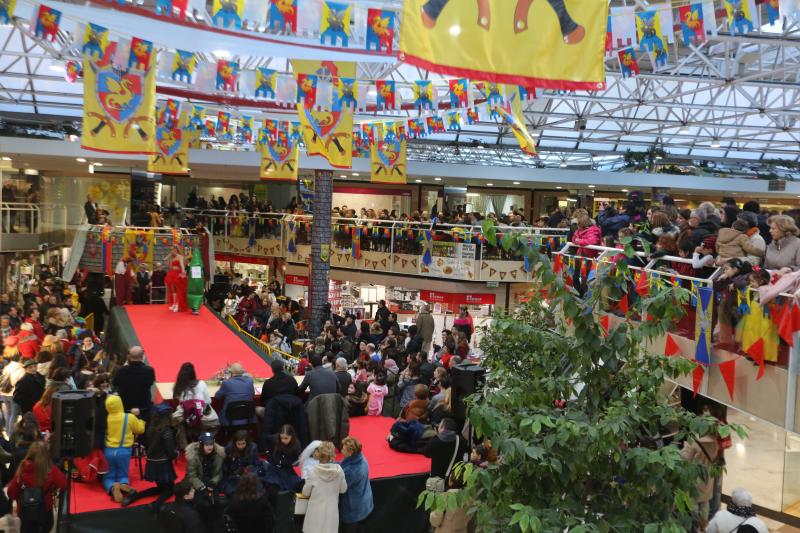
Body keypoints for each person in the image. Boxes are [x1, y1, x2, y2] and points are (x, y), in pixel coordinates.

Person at [121, 403, 178, 511]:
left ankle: (135, 496)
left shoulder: (151, 427)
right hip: (163, 464)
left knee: (160, 488)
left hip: (151, 462)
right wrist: (176, 454)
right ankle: (156, 504)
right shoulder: (167, 430)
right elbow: (170, 451)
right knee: (170, 490)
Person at [7, 441, 67, 533]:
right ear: (46, 454)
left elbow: (11, 492)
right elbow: (64, 484)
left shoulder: (23, 468)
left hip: (25, 511)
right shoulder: (51, 469)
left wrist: (19, 497)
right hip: (44, 511)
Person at [104, 394, 146, 503]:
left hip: (108, 451)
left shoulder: (106, 418)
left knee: (109, 476)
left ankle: (113, 488)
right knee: (123, 474)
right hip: (124, 450)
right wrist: (140, 418)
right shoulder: (129, 417)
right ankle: (123, 485)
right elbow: (140, 429)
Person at [301, 441, 347, 533]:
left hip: (315, 513)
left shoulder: (312, 472)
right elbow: (343, 489)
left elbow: (306, 492)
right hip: (331, 513)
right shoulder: (339, 471)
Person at [680, 433, 720, 531]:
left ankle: (694, 526)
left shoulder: (694, 442)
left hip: (695, 477)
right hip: (708, 476)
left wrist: (684, 447)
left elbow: (685, 458)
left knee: (693, 501)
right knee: (705, 501)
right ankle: (704, 525)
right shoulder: (714, 441)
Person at [185, 432, 225, 523]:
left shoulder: (218, 455)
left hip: (212, 481)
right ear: (201, 445)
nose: (209, 447)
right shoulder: (194, 456)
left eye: (211, 444)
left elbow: (219, 473)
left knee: (215, 502)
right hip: (199, 481)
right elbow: (192, 475)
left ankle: (214, 523)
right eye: (206, 444)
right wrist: (200, 486)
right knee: (201, 503)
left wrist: (213, 482)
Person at [339, 436, 373, 532]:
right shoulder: (360, 459)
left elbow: (341, 488)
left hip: (353, 509)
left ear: (350, 453)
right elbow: (343, 464)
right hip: (363, 502)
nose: (341, 450)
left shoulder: (352, 471)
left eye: (343, 449)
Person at [113, 346, 156, 421]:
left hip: (125, 407)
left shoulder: (121, 371)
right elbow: (150, 383)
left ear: (129, 356)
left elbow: (115, 383)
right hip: (143, 408)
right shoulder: (149, 371)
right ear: (142, 356)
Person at [262, 424, 302, 493]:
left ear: (291, 436)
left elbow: (294, 462)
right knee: (273, 486)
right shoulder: (276, 438)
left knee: (297, 485)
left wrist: (281, 462)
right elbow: (264, 439)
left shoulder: (296, 445)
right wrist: (267, 452)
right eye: (281, 438)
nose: (283, 440)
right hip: (274, 468)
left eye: (286, 438)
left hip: (287, 469)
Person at [220, 430, 260, 497]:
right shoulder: (229, 448)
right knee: (234, 493)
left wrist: (247, 471)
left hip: (248, 476)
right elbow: (225, 466)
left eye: (243, 443)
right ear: (235, 442)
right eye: (238, 444)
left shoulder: (253, 448)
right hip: (232, 476)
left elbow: (256, 464)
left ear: (247, 442)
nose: (240, 446)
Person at [214, 363, 254, 427]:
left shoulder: (226, 383)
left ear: (231, 372)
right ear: (242, 372)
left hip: (229, 419)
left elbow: (217, 397)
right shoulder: (250, 381)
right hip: (248, 418)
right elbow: (252, 394)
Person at [165, 245, 188, 312]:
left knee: (178, 290)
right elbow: (169, 266)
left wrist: (183, 270)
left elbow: (181, 264)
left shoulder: (180, 256)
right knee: (173, 289)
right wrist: (168, 257)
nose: (172, 251)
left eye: (173, 250)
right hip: (172, 273)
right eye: (171, 250)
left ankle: (178, 305)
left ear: (176, 250)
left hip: (178, 273)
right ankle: (174, 304)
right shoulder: (171, 257)